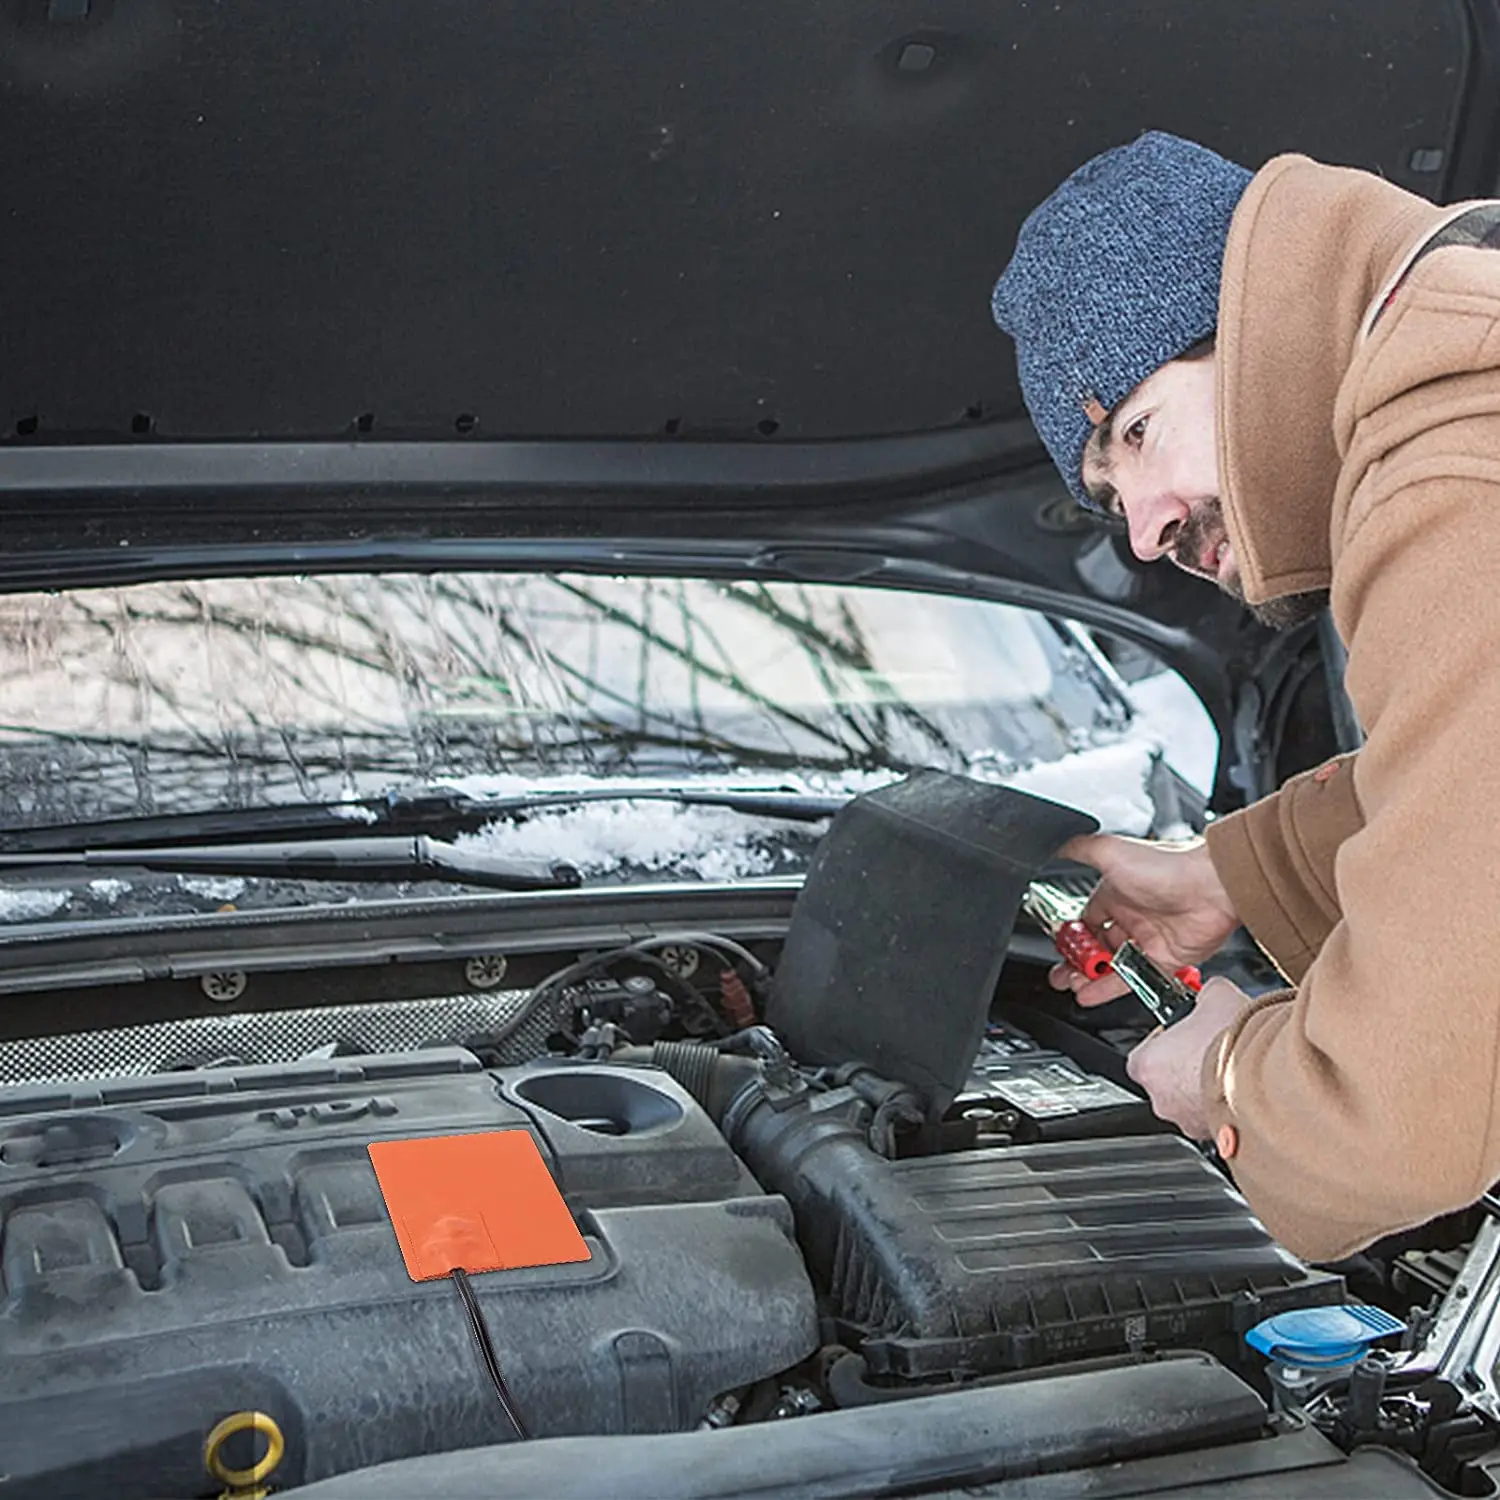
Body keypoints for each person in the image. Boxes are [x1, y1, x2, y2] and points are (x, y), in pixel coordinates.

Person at [990, 132, 1500, 1263]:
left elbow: (1399, 1115)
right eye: (1108, 494)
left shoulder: (1451, 473)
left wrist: (1230, 1072)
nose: (1143, 532)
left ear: (1248, 314)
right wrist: (1231, 872)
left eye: (1134, 434)